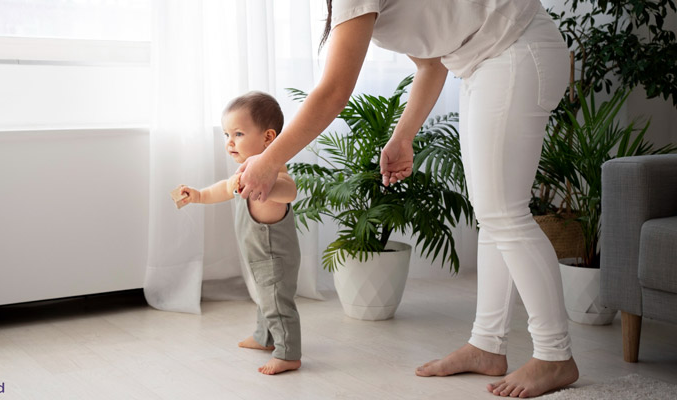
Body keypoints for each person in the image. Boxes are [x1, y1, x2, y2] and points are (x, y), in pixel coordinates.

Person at [235, 0, 579, 396]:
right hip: (487, 61)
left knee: (504, 214)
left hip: (515, 48)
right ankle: (487, 345)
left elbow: (333, 92)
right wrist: (402, 138)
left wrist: (270, 159)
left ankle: (555, 355)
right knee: (494, 217)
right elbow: (432, 63)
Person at [176, 91, 302, 375]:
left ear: (268, 138)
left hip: (274, 260)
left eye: (238, 133)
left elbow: (289, 191)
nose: (230, 142)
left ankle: (288, 353)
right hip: (258, 258)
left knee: (277, 304)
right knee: (263, 298)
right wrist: (196, 195)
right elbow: (222, 189)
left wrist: (269, 186)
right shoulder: (245, 173)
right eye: (226, 135)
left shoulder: (275, 175)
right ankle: (264, 337)